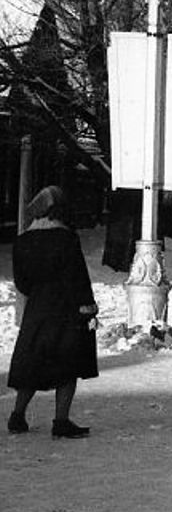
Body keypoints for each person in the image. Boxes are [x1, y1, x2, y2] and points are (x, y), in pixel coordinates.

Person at [7, 185, 98, 438]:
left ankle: (17, 415)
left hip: (37, 308)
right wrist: (88, 307)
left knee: (32, 363)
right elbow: (77, 276)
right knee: (68, 365)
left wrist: (37, 294)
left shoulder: (23, 239)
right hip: (66, 308)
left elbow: (21, 281)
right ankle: (61, 421)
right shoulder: (66, 238)